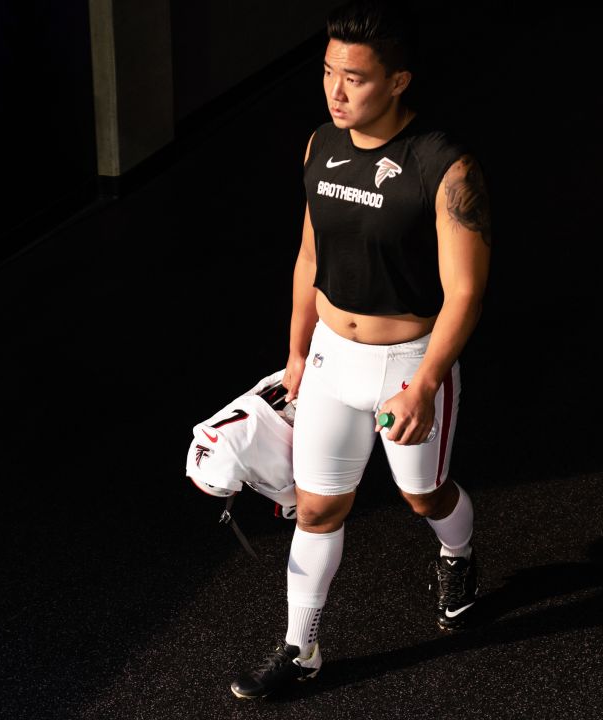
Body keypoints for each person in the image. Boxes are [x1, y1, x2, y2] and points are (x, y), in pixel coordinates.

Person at [229, 0, 492, 700]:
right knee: (316, 510)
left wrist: (428, 383)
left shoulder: (443, 165)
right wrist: (294, 352)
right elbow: (309, 255)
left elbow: (463, 291)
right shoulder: (319, 146)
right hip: (329, 363)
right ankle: (299, 648)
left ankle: (458, 554)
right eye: (327, 73)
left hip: (408, 365)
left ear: (399, 81)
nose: (337, 92)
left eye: (356, 78)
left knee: (422, 494)